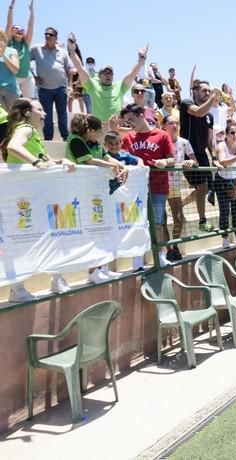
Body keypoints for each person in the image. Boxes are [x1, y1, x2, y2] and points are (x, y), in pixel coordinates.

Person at [1, 98, 76, 301]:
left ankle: (56, 279)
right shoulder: (26, 128)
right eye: (39, 110)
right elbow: (14, 147)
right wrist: (35, 162)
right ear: (26, 113)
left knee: (50, 237)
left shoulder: (34, 135)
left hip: (34, 198)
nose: (44, 114)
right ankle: (17, 289)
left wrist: (61, 161)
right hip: (21, 199)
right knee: (19, 242)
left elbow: (46, 161)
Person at [65, 114, 127, 283]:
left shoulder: (91, 141)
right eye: (98, 132)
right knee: (92, 232)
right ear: (89, 130)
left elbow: (104, 156)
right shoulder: (76, 140)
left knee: (102, 230)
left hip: (96, 193)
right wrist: (114, 166)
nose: (99, 136)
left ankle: (102, 267)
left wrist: (119, 163)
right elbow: (90, 161)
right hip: (81, 191)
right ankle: (92, 272)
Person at [120, 103, 176, 267]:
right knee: (136, 223)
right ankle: (137, 258)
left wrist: (163, 162)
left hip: (158, 186)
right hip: (134, 189)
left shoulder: (162, 135)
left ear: (142, 116)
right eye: (126, 121)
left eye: (131, 119)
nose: (129, 123)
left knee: (157, 222)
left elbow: (172, 159)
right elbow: (119, 158)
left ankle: (159, 254)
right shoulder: (127, 138)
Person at [67, 40, 148, 123]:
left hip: (116, 126)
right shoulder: (92, 85)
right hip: (98, 126)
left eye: (110, 73)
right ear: (99, 76)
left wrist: (141, 60)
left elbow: (133, 73)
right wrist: (72, 51)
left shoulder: (120, 86)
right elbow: (80, 68)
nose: (108, 75)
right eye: (105, 73)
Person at [179, 80, 221, 232]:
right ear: (194, 92)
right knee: (201, 187)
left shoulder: (210, 115)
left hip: (202, 155)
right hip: (188, 154)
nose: (208, 93)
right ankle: (202, 221)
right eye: (204, 91)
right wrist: (213, 97)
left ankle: (181, 205)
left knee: (204, 188)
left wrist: (214, 158)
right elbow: (198, 112)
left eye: (209, 91)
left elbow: (210, 140)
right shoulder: (186, 103)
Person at [162, 115, 196, 261]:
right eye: (171, 123)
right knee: (161, 220)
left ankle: (174, 246)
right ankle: (167, 249)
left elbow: (195, 161)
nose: (174, 126)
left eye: (177, 123)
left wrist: (190, 163)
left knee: (178, 218)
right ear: (164, 126)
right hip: (159, 184)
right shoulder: (160, 140)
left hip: (175, 185)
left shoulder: (184, 142)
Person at [29, 26, 71, 140]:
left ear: (56, 38)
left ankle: (65, 137)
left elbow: (69, 69)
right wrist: (34, 77)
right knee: (46, 115)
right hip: (44, 88)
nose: (48, 36)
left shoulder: (62, 52)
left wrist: (70, 85)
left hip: (61, 88)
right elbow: (24, 62)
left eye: (51, 35)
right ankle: (48, 137)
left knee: (62, 114)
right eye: (46, 34)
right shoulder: (36, 49)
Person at [212, 122, 236, 247]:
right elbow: (223, 162)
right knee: (224, 211)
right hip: (222, 182)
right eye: (232, 132)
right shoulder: (221, 145)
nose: (235, 135)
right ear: (226, 135)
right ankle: (225, 238)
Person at [5, 0, 34, 99]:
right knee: (15, 102)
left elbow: (30, 27)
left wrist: (32, 12)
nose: (19, 30)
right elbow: (9, 25)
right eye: (16, 28)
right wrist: (11, 7)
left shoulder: (26, 43)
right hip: (13, 77)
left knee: (29, 102)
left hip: (27, 77)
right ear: (11, 31)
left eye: (22, 29)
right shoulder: (8, 42)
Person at [0, 30, 19, 110]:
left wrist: (3, 55)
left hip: (11, 89)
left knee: (14, 117)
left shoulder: (12, 51)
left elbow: (15, 70)